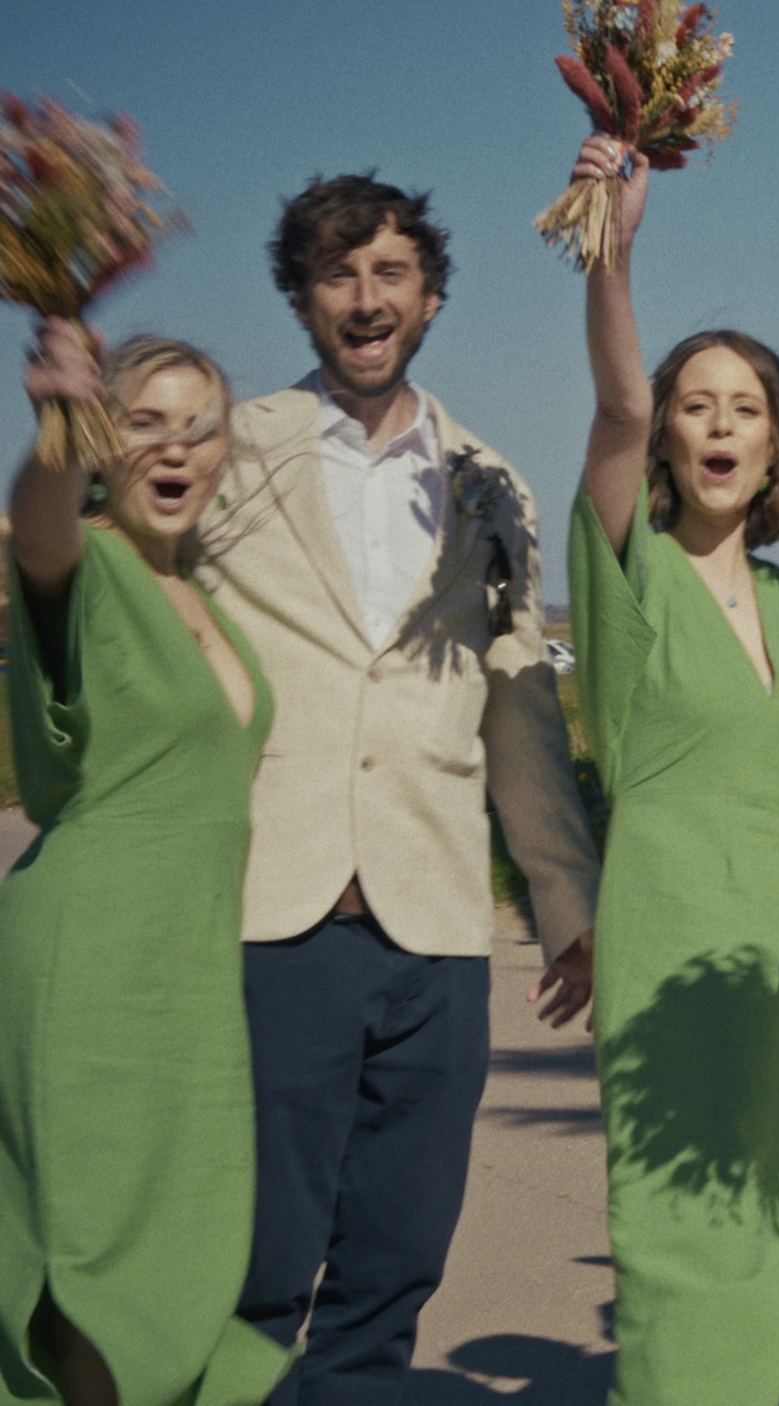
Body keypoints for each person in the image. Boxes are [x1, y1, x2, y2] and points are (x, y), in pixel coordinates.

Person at [197, 173, 602, 1402]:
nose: (366, 299)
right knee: (255, 1263)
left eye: (390, 273)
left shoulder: (490, 476)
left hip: (434, 927)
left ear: (430, 297)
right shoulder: (232, 449)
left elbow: (519, 702)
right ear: (301, 299)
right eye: (338, 274)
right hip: (277, 913)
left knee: (394, 1265)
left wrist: (563, 895)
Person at [565, 136, 779, 1403]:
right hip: (670, 947)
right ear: (669, 441)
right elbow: (614, 408)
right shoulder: (629, 571)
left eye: (746, 406)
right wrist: (615, 250)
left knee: (774, 1222)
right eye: (697, 405)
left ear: (777, 442)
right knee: (676, 1230)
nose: (720, 422)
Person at [1, 327, 292, 1406]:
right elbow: (37, 530)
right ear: (102, 442)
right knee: (97, 1255)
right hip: (91, 963)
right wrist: (55, 431)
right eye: (143, 423)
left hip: (189, 970)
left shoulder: (197, 592)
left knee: (175, 1243)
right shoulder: (85, 565)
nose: (175, 447)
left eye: (199, 427)